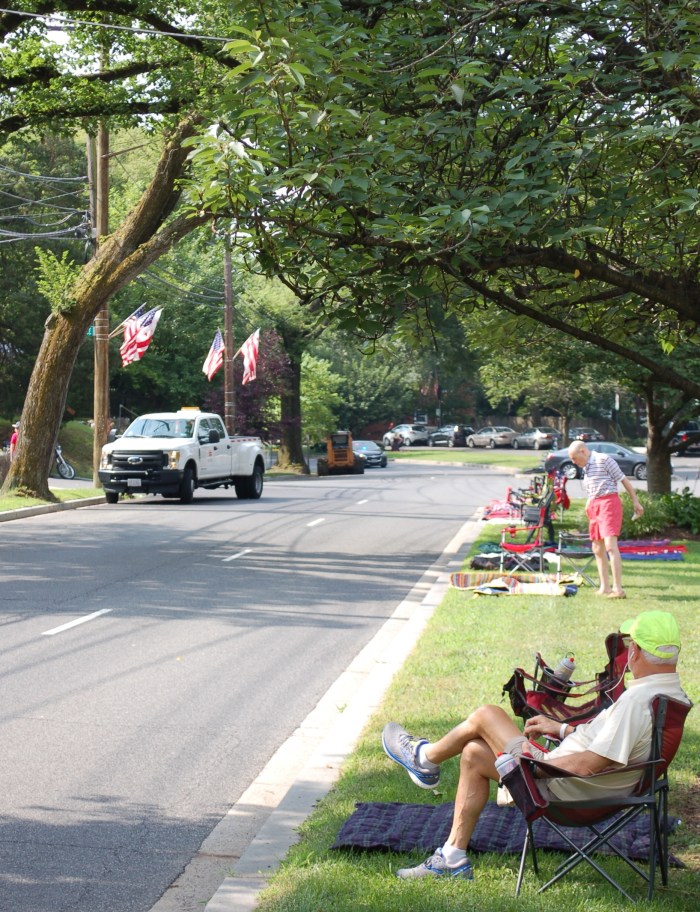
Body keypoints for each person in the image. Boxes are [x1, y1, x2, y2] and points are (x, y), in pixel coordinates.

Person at [382, 610, 688, 880]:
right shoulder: (668, 696)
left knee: (487, 715)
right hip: (585, 784)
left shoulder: (637, 702)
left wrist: (534, 766)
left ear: (634, 650)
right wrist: (563, 728)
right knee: (474, 754)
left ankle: (424, 758)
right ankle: (452, 857)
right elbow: (609, 745)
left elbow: (588, 764)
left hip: (562, 786)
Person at [567, 440, 644, 598]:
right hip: (595, 506)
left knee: (610, 546)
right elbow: (593, 489)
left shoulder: (604, 460)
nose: (573, 462)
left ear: (583, 451)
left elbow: (624, 480)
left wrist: (636, 502)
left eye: (574, 458)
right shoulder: (586, 467)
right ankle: (605, 587)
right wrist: (589, 504)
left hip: (609, 503)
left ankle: (618, 589)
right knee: (597, 547)